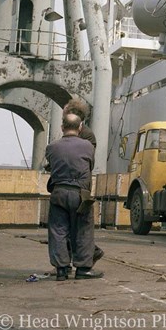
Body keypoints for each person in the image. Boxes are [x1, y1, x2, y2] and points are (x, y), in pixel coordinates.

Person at [45, 112, 103, 280]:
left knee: (58, 231)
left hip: (59, 193)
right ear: (80, 127)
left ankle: (61, 270)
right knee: (83, 230)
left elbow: (51, 165)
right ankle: (83, 269)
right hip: (80, 195)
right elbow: (89, 165)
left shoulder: (52, 147)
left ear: (62, 127)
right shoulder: (88, 146)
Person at [62, 97, 104, 269]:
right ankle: (84, 255)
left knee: (78, 225)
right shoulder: (80, 135)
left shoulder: (86, 136)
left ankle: (88, 255)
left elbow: (84, 162)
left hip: (79, 186)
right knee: (72, 225)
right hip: (73, 184)